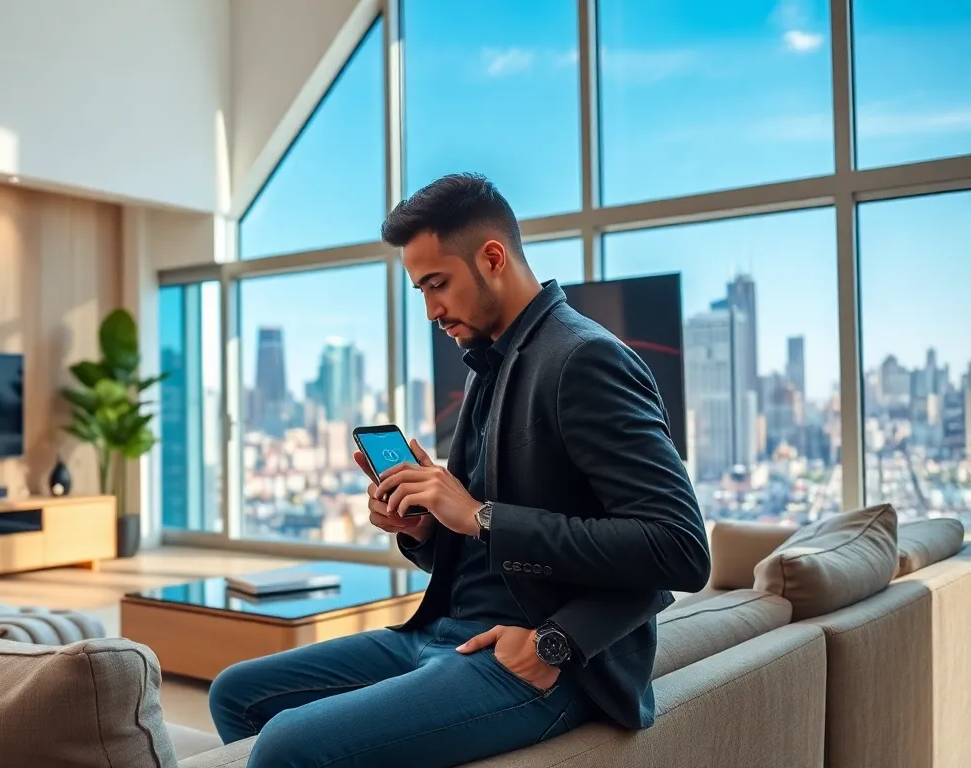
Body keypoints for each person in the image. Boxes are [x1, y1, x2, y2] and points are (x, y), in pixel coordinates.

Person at [207, 173, 711, 767]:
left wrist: (553, 638)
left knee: (286, 745)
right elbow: (480, 543)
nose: (430, 310)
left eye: (437, 284)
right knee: (237, 694)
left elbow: (679, 549)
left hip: (530, 656)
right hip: (443, 630)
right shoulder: (486, 364)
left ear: (492, 257)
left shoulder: (584, 357)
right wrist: (425, 528)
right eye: (420, 289)